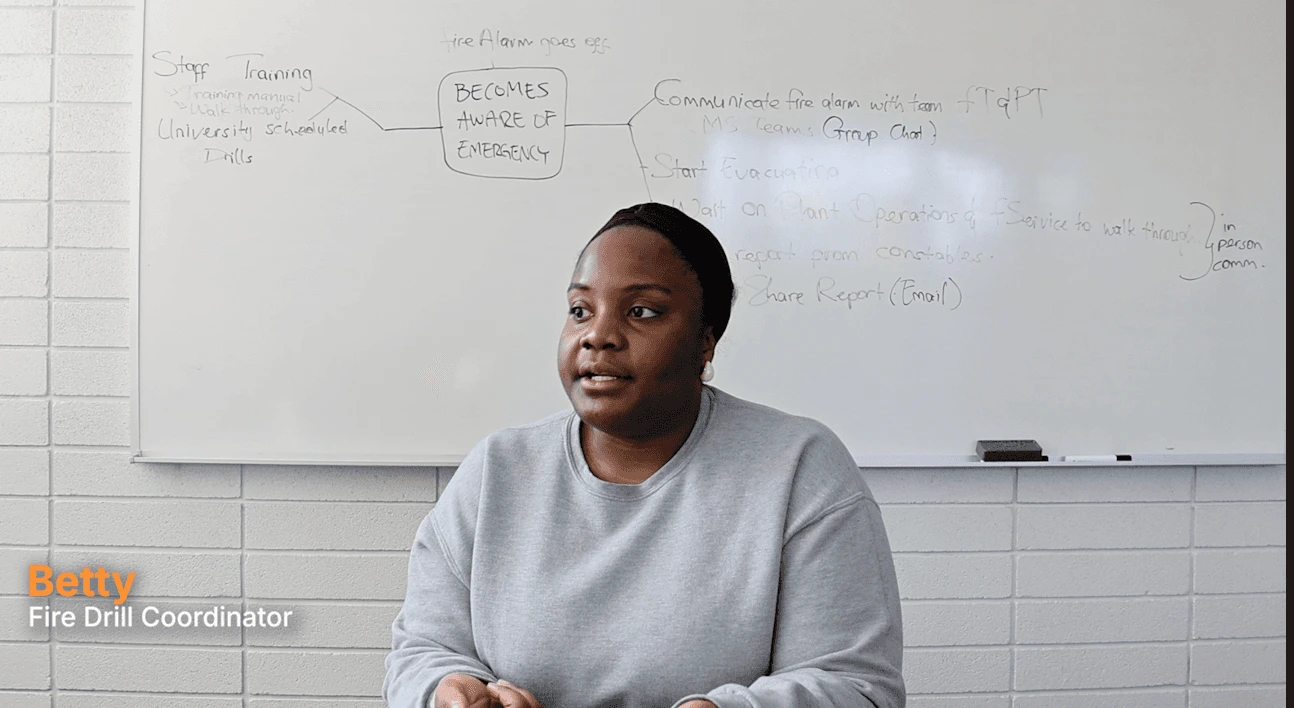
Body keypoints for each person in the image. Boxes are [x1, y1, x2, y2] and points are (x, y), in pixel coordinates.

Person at [384, 203, 905, 708]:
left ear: (706, 340)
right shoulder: (497, 471)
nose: (598, 336)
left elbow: (855, 686)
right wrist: (450, 691)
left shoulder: (799, 469)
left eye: (642, 312)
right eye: (580, 310)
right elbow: (420, 653)